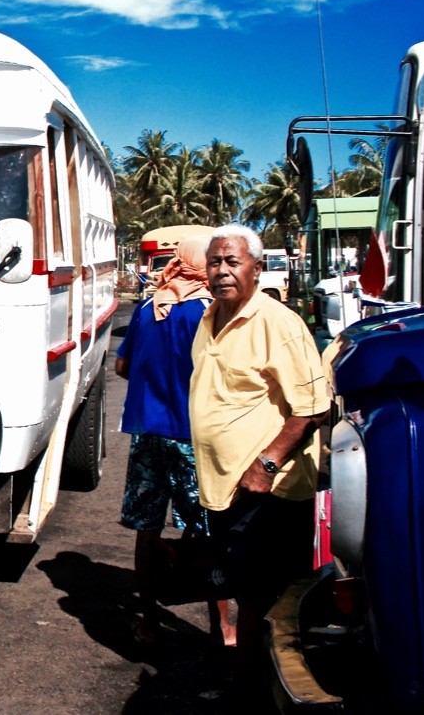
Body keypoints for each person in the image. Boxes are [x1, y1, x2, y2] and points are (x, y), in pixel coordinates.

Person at [189, 224, 329, 690]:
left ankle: (251, 694)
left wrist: (266, 463)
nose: (222, 270)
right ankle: (249, 684)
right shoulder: (212, 315)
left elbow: (314, 406)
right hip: (225, 485)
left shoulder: (277, 322)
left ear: (256, 268)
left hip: (267, 488)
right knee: (241, 587)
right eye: (215, 262)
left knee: (260, 598)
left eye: (233, 262)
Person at [115, 234, 233, 647]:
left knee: (146, 528)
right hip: (192, 436)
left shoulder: (150, 306)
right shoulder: (211, 310)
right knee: (206, 531)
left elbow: (122, 366)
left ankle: (147, 622)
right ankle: (222, 629)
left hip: (147, 431)